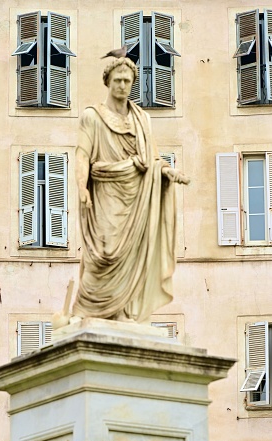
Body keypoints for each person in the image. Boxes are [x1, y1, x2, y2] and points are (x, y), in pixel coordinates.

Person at [72, 57, 189, 323]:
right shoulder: (92, 116)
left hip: (137, 199)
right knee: (103, 253)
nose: (122, 86)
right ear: (107, 82)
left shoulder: (142, 119)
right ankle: (89, 310)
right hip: (106, 195)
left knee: (131, 256)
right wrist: (81, 187)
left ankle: (122, 311)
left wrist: (167, 172)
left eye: (127, 81)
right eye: (117, 80)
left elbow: (152, 159)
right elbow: (81, 155)